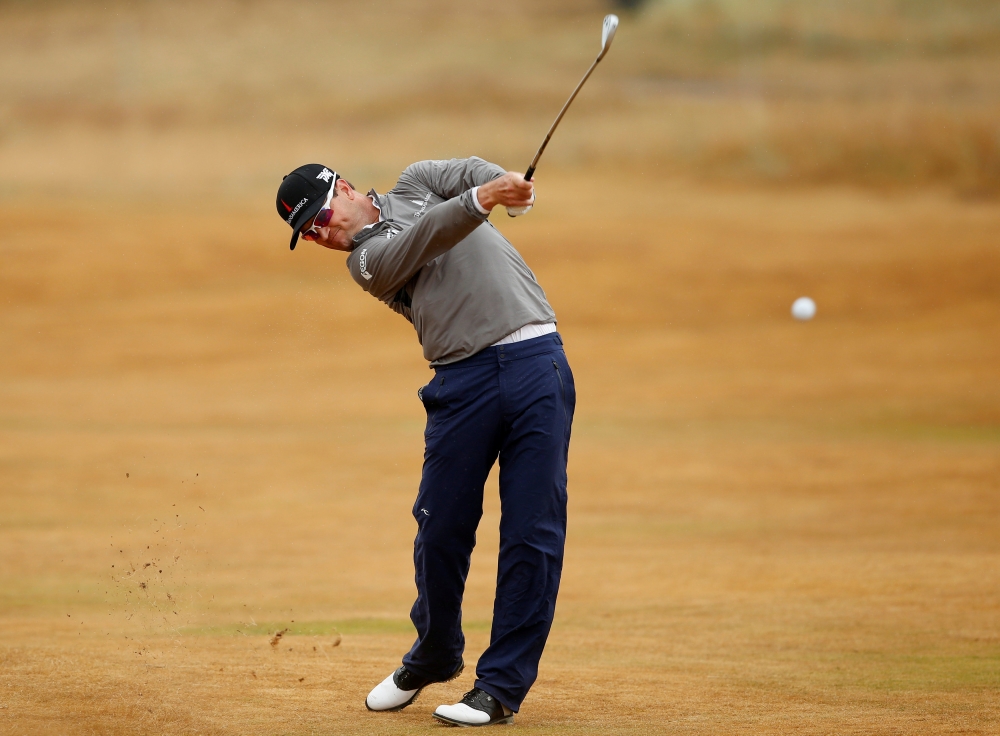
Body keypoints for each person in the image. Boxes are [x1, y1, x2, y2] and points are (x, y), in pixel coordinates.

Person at [275, 158, 575, 727]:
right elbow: (431, 233)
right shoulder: (365, 262)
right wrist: (485, 198)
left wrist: (511, 188)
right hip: (462, 380)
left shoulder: (416, 183)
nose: (319, 234)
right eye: (308, 233)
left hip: (538, 361)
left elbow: (467, 172)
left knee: (532, 532)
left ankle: (499, 687)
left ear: (342, 187)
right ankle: (435, 650)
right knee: (440, 528)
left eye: (318, 217)